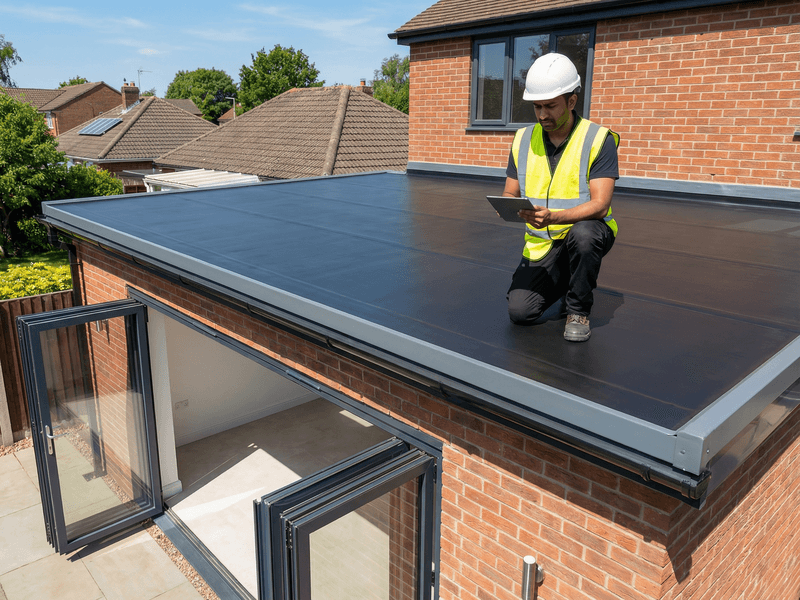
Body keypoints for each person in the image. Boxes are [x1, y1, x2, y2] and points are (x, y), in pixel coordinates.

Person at [503, 53, 619, 342]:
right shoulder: (523, 140)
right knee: (520, 312)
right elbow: (509, 192)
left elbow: (600, 204)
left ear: (571, 101)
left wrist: (554, 217)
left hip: (585, 233)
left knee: (584, 234)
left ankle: (578, 309)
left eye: (550, 106)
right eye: (537, 106)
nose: (543, 115)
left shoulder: (598, 139)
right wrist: (510, 207)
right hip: (543, 244)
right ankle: (570, 278)